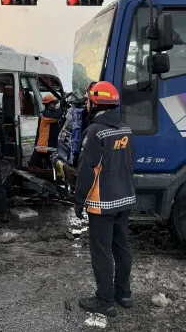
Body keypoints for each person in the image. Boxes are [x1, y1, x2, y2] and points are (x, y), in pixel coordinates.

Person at [73, 81, 136, 317]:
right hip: (125, 198)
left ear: (95, 103)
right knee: (122, 247)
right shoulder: (125, 129)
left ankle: (105, 300)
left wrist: (79, 200)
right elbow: (129, 164)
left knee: (101, 252)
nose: (86, 104)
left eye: (88, 100)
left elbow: (89, 169)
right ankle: (124, 294)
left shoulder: (95, 131)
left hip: (102, 203)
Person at [28, 94, 62, 169]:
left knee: (44, 166)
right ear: (49, 104)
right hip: (44, 146)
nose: (55, 105)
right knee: (35, 166)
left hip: (47, 146)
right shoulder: (46, 114)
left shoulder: (48, 113)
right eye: (53, 103)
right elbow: (56, 116)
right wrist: (61, 107)